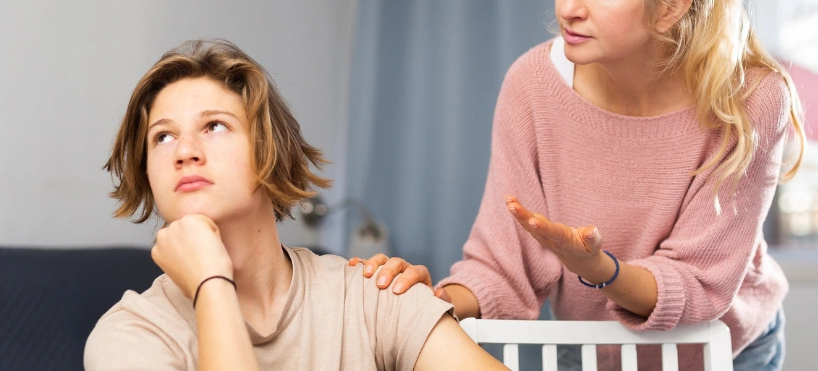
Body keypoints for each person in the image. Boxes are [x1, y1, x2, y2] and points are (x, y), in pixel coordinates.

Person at [351, 0, 805, 370]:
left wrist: (598, 270)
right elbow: (503, 267)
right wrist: (423, 303)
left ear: (671, 8)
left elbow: (699, 284)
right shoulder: (532, 85)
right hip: (594, 349)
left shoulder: (751, 99)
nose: (569, 7)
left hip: (724, 349)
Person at [84, 40, 505, 371]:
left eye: (214, 126)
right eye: (163, 136)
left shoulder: (369, 296)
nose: (184, 151)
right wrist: (212, 284)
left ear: (270, 150)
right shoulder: (128, 335)